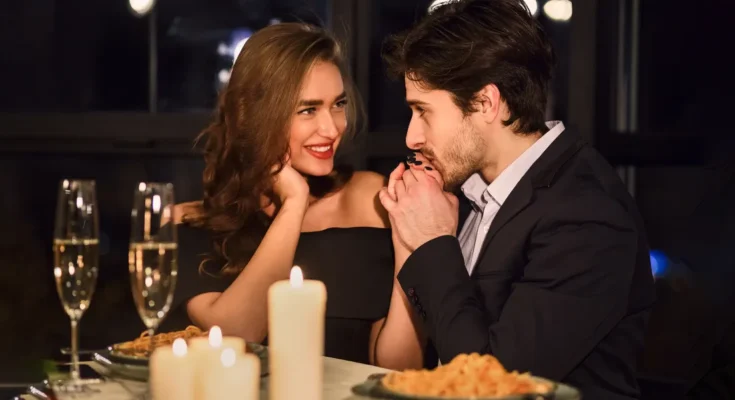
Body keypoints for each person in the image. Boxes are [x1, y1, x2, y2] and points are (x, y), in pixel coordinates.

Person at [378, 0, 656, 398]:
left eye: (424, 111)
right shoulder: (470, 191)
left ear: (486, 103)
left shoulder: (586, 217)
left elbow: (494, 387)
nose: (412, 137)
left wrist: (433, 242)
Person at [170, 22, 422, 369]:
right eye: (308, 109)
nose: (332, 128)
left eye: (338, 104)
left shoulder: (372, 201)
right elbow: (238, 337)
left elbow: (401, 369)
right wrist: (294, 204)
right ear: (250, 115)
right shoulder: (197, 225)